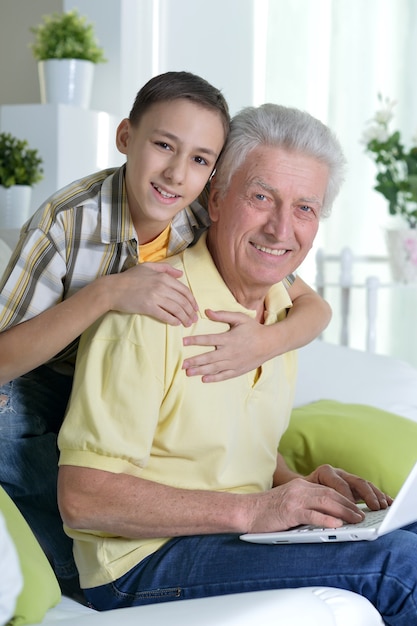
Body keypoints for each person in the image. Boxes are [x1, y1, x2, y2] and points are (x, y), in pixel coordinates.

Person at [58, 103, 417, 626]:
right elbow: (83, 497)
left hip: (230, 534)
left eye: (305, 209)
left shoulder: (279, 316)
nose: (280, 228)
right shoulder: (150, 312)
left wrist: (296, 488)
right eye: (261, 197)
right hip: (139, 561)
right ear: (217, 199)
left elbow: (218, 451)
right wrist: (254, 511)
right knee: (399, 568)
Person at [0, 72, 330, 598]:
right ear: (126, 137)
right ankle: (68, 584)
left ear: (215, 176)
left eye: (200, 159)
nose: (177, 174)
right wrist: (104, 294)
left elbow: (314, 308)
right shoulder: (68, 222)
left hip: (110, 392)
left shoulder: (204, 209)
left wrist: (264, 343)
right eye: (163, 145)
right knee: (17, 436)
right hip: (33, 379)